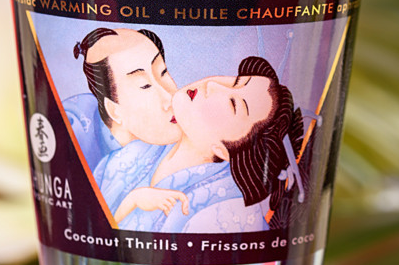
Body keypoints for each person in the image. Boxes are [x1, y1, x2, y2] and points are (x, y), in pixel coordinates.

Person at [96, 56, 304, 233]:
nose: (212, 85)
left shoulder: (227, 212)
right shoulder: (139, 150)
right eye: (235, 82)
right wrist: (133, 199)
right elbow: (89, 229)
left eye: (233, 103)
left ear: (224, 151)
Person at [64, 27, 179, 170]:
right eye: (144, 85)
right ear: (114, 110)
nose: (170, 98)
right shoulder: (74, 131)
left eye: (163, 72)